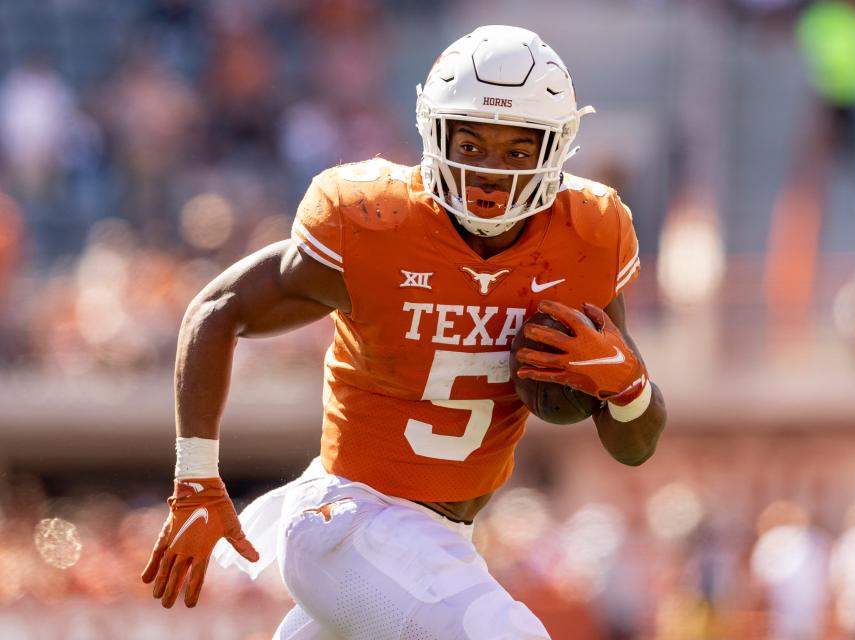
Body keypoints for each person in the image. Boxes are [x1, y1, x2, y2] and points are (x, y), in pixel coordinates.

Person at [141, 25, 667, 639]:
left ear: (556, 150)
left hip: (440, 541)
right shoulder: (373, 222)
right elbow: (218, 307)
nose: (491, 172)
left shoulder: (588, 236)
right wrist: (196, 477)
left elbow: (636, 446)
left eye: (518, 152)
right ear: (434, 133)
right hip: (351, 521)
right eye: (469, 143)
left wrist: (627, 387)